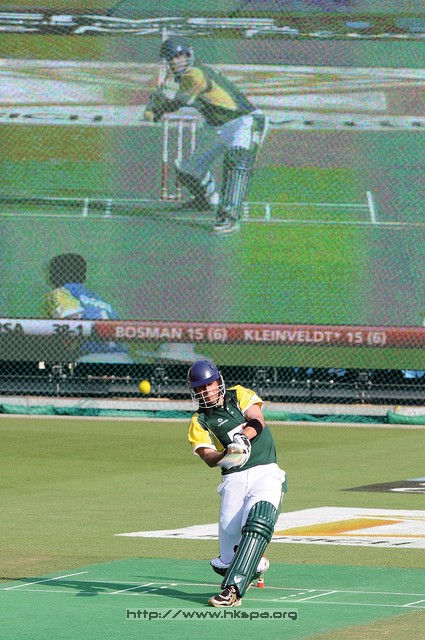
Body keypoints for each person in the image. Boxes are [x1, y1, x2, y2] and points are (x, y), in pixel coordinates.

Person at [144, 37, 269, 234]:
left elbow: (179, 101)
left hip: (243, 121)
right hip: (215, 126)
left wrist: (157, 109)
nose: (177, 61)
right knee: (189, 171)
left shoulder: (196, 74)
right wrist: (156, 105)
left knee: (237, 162)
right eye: (172, 58)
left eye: (180, 56)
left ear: (189, 55)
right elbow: (167, 97)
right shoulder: (180, 79)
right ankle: (203, 201)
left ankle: (229, 217)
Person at [187, 359, 286, 607]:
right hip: (233, 478)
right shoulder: (199, 421)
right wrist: (227, 453)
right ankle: (255, 563)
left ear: (218, 382)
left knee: (258, 522)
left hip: (265, 470)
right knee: (228, 560)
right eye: (200, 388)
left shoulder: (238, 394)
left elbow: (257, 420)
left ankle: (232, 591)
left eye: (209, 385)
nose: (206, 391)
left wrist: (242, 438)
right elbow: (208, 457)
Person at [44, 253, 132, 363]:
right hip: (123, 359)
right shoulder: (99, 300)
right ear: (83, 276)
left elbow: (71, 323)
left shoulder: (61, 293)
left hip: (92, 358)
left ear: (54, 275)